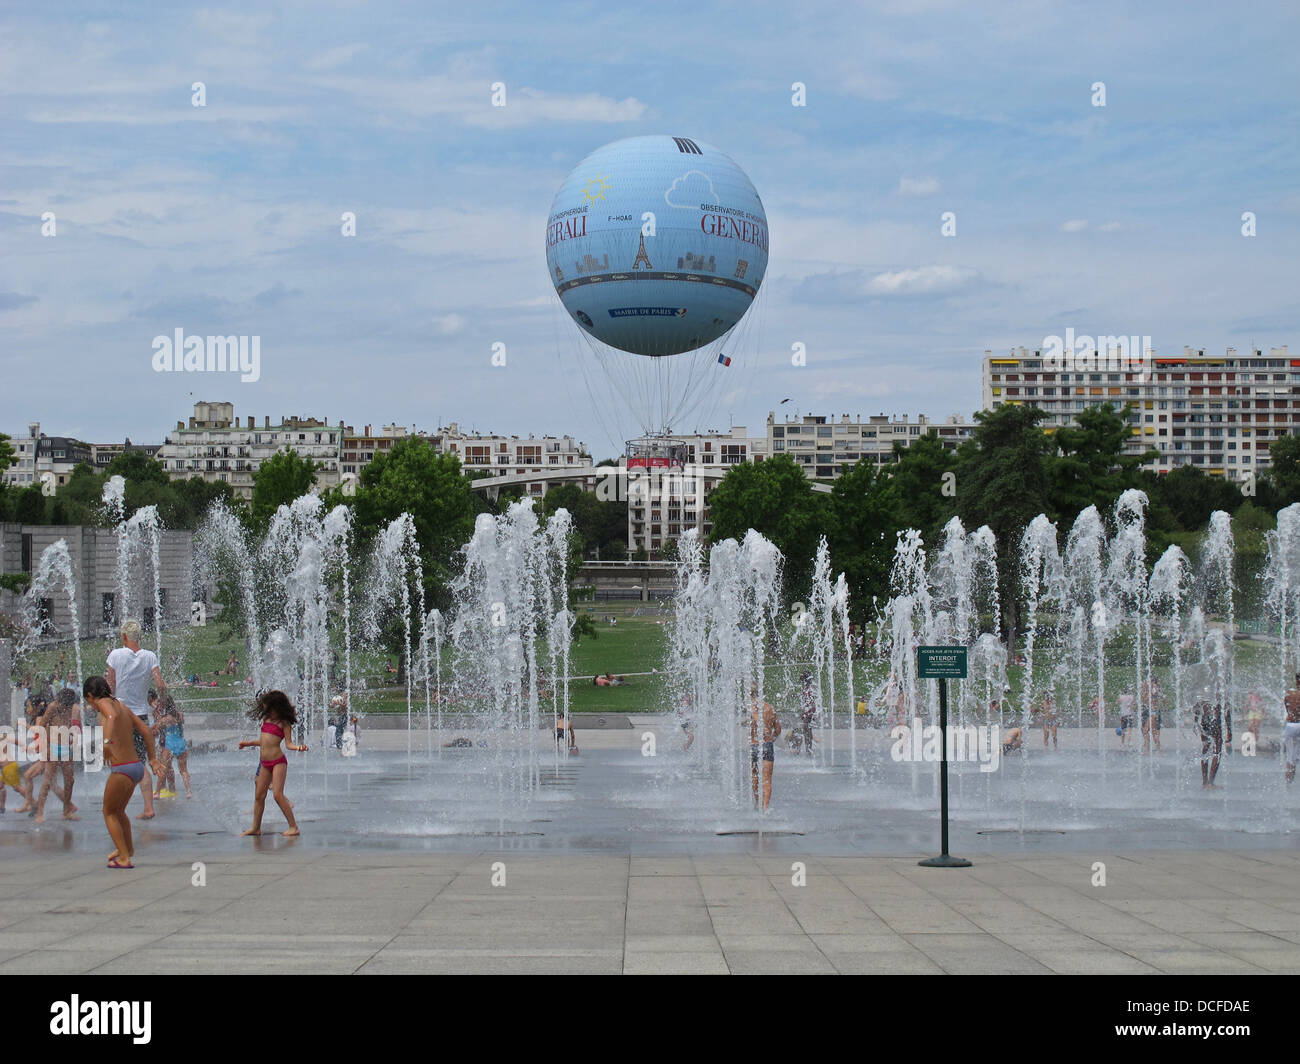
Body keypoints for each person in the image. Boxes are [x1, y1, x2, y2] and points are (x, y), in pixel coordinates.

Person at [82, 676, 165, 869]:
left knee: (108, 812)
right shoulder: (121, 705)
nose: (91, 706)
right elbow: (145, 730)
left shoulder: (104, 703)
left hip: (122, 769)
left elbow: (111, 716)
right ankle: (126, 850)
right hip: (136, 767)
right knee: (119, 811)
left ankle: (124, 858)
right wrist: (152, 759)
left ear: (90, 696)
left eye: (88, 701)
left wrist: (106, 743)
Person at [105, 620, 166, 819]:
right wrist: (161, 705)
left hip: (120, 714)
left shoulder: (115, 655)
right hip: (140, 715)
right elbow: (161, 685)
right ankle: (148, 807)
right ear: (139, 636)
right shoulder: (150, 656)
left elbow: (110, 685)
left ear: (124, 636)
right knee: (140, 762)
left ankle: (117, 805)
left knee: (120, 761)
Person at [239, 690, 306, 837]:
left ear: (277, 707)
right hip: (265, 763)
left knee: (277, 794)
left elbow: (288, 744)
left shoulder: (284, 723)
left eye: (269, 708)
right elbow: (264, 741)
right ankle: (255, 828)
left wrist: (299, 747)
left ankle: (293, 827)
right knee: (259, 795)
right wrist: (248, 743)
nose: (266, 711)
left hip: (278, 762)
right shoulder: (267, 720)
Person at [33, 689, 79, 822]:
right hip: (53, 747)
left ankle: (66, 811)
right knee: (48, 782)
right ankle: (39, 813)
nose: (66, 708)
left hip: (66, 748)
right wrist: (45, 747)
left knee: (70, 781)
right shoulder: (53, 707)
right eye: (65, 705)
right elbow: (41, 726)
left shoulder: (71, 707)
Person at [749, 683, 781, 812]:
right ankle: (765, 807)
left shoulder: (752, 707)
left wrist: (761, 727)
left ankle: (758, 802)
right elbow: (778, 729)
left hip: (755, 745)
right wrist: (771, 738)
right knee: (767, 778)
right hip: (768, 745)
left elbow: (758, 720)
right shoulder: (770, 707)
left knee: (755, 776)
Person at [154, 695, 192, 799]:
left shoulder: (166, 718)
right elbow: (181, 723)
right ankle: (189, 791)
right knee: (183, 770)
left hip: (169, 744)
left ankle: (157, 792)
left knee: (163, 768)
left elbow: (156, 729)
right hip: (181, 742)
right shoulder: (179, 714)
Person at [1194, 699, 1231, 789]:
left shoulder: (1205, 688)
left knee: (1205, 749)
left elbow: (1197, 706)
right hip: (1215, 721)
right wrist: (1229, 730)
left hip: (1204, 720)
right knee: (1217, 751)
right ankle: (1210, 782)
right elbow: (1227, 710)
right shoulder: (1220, 690)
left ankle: (1204, 782)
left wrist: (1195, 721)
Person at [1283, 675, 1300, 784]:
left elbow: (1287, 708)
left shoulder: (1289, 694)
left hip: (1290, 726)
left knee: (1290, 758)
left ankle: (1287, 787)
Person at [798, 673, 816, 757]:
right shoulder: (806, 689)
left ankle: (808, 750)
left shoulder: (810, 690)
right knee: (806, 731)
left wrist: (809, 714)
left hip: (809, 714)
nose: (802, 682)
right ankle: (808, 749)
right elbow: (805, 702)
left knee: (807, 730)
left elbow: (812, 703)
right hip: (807, 713)